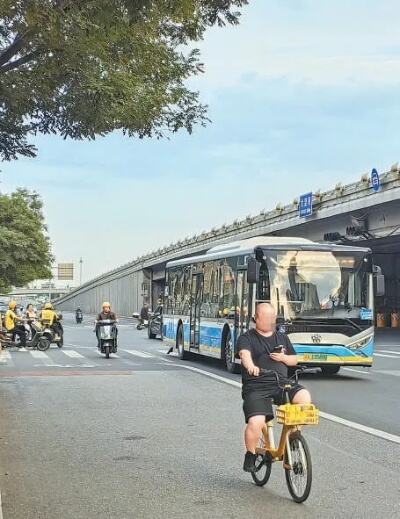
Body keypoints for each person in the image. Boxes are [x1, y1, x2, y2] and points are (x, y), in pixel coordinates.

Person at [238, 303, 312, 473]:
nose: (270, 322)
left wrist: (284, 358)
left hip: (282, 383)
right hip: (257, 386)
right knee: (256, 422)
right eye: (266, 318)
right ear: (256, 319)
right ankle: (250, 455)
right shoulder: (246, 338)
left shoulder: (282, 338)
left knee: (304, 398)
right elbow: (244, 355)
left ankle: (293, 438)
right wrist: (251, 367)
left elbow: (294, 359)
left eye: (272, 318)